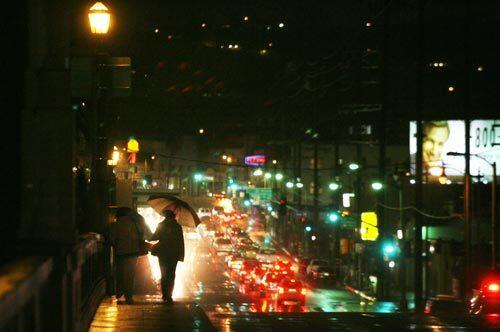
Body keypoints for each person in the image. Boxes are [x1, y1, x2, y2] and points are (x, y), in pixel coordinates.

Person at [110, 207, 150, 304]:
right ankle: (128, 296)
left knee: (120, 273)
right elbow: (146, 235)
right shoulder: (136, 223)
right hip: (133, 252)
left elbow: (112, 239)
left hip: (120, 252)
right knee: (130, 274)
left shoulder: (116, 225)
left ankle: (119, 292)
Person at [150, 210, 185, 304]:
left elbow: (154, 237)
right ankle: (169, 295)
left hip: (163, 253)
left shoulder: (161, 225)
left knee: (164, 274)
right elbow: (181, 242)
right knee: (171, 274)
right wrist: (181, 255)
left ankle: (165, 294)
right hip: (174, 253)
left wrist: (148, 236)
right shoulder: (177, 227)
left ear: (165, 216)